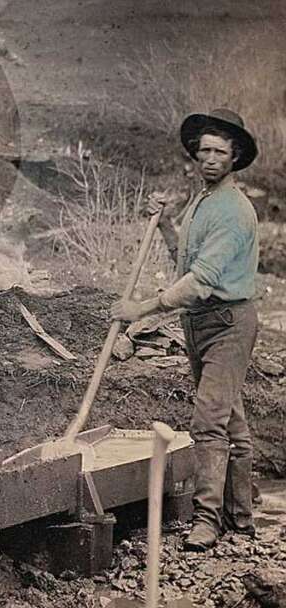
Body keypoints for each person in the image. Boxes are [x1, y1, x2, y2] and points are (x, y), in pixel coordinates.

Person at [110, 109, 260, 551]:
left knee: (208, 420)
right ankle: (242, 519)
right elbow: (187, 262)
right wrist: (168, 227)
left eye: (220, 152)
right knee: (230, 419)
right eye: (204, 151)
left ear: (235, 157)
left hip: (228, 323)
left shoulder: (234, 210)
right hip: (200, 323)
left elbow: (201, 282)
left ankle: (208, 522)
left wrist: (141, 309)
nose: (210, 159)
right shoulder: (203, 201)